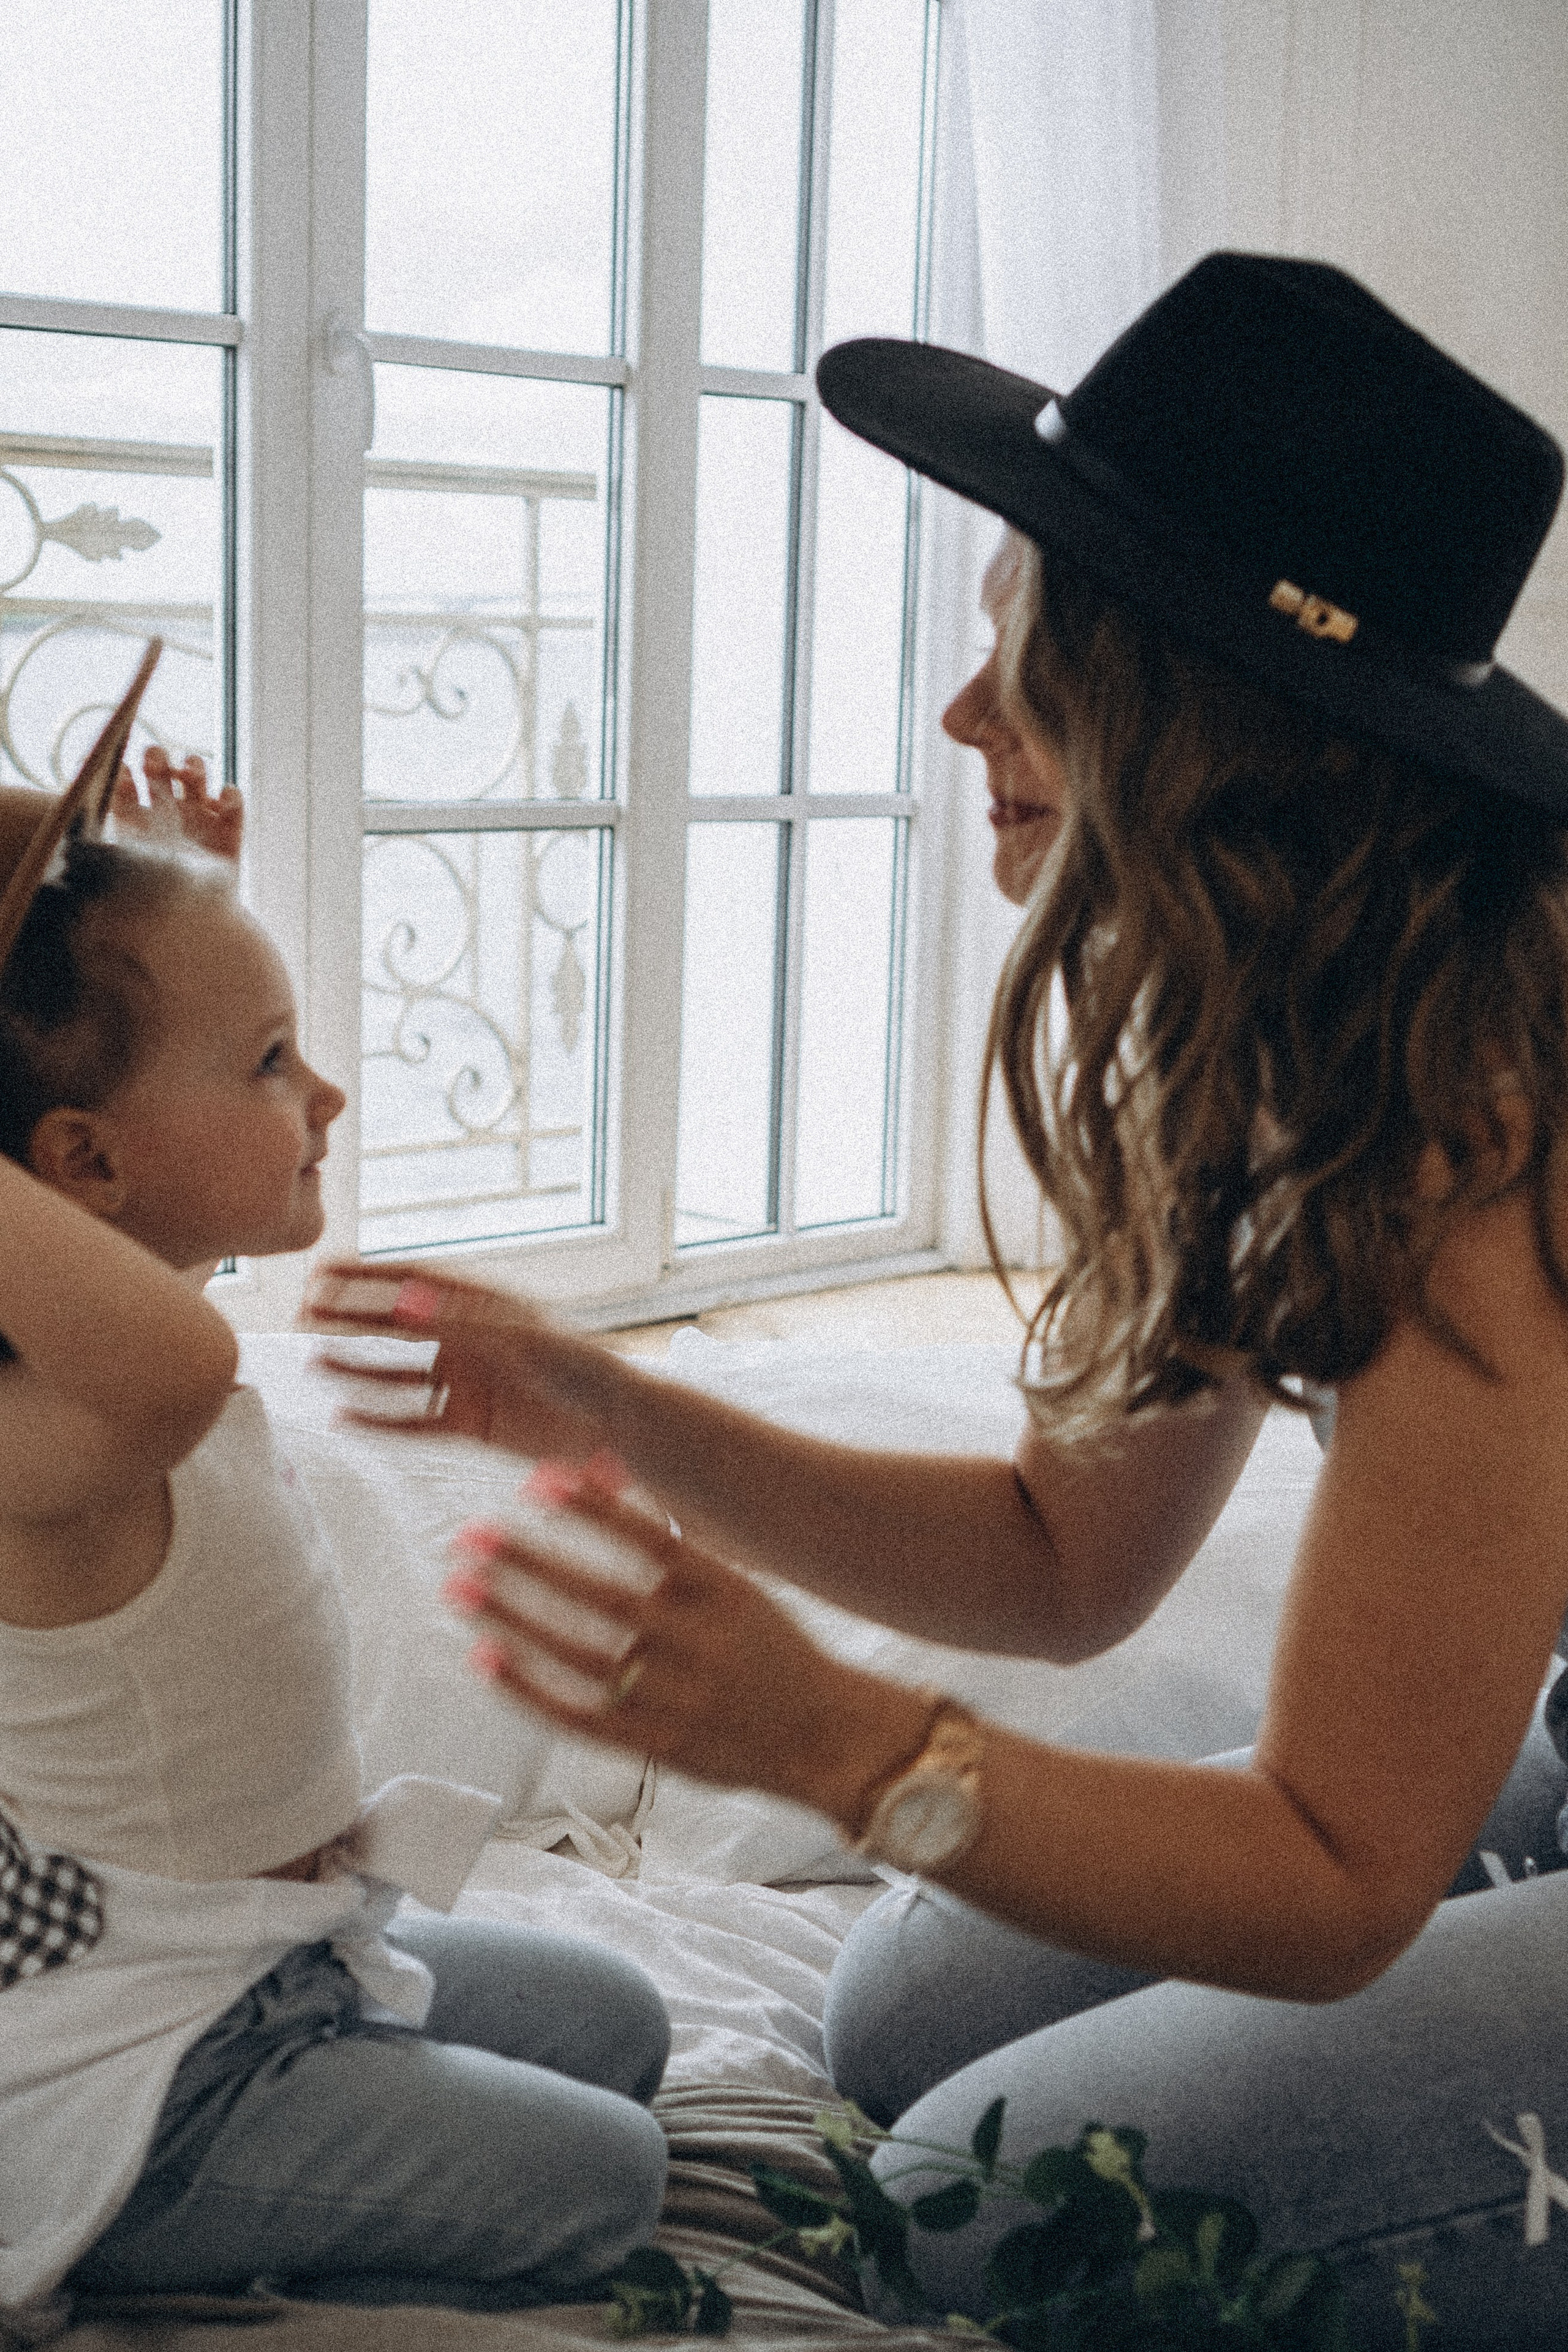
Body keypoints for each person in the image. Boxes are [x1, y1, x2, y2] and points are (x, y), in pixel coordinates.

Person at [307, 254, 1568, 2346]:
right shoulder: (1266, 1034)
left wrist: (839, 1734)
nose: (967, 717)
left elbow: (1338, 1869)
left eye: (1025, 655)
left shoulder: (1489, 1122)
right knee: (909, 2012)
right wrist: (603, 1402)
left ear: (1199, 714)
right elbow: (1063, 1561)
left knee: (985, 2213)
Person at [0, 664, 669, 2322]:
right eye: (274, 1060)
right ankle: (145, 2217)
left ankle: (335, 2080)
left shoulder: (120, 1335)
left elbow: (155, 1257)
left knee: (624, 2025)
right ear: (81, 1166)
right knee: (612, 2183)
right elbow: (166, 1357)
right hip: (153, 2070)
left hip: (271, 1962)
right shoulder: (47, 1443)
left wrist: (166, 899)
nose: (331, 1094)